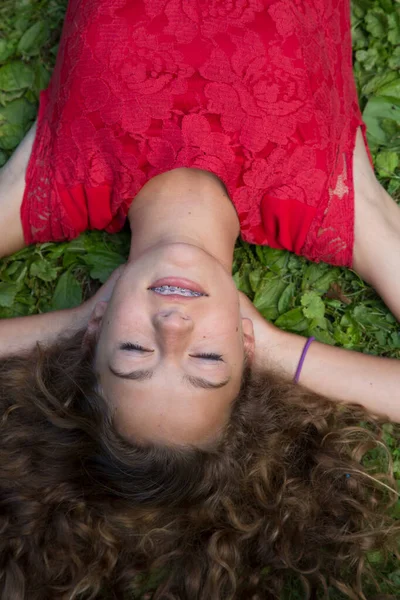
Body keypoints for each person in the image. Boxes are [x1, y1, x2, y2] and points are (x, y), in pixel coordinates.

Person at [0, 1, 399, 598]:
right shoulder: (332, 208)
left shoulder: (53, 185)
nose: (174, 326)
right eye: (208, 363)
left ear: (94, 337)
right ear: (244, 354)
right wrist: (276, 347)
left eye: (134, 351)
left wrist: (75, 322)